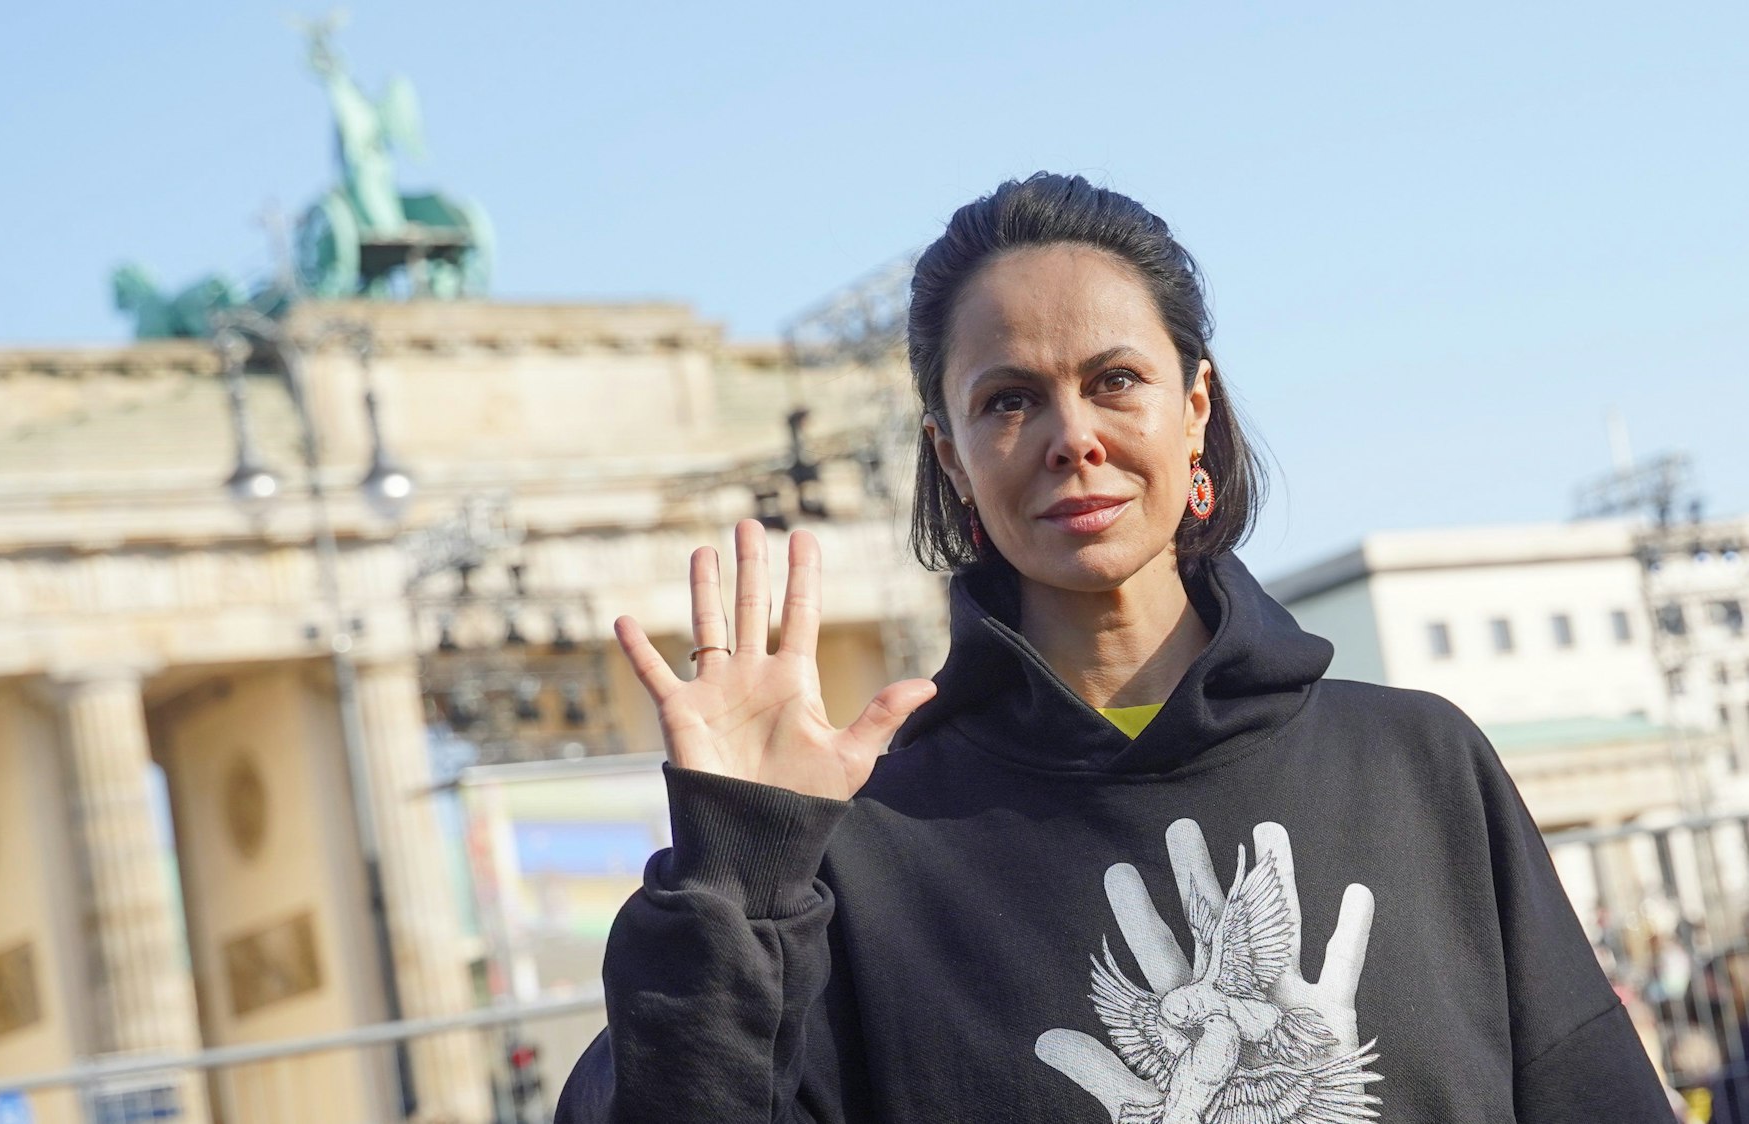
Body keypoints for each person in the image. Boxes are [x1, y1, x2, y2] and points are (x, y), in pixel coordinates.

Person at [554, 172, 1673, 1122]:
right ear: (950, 461)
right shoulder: (864, 851)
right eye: (1007, 401)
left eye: (1114, 380)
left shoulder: (1418, 765)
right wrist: (737, 870)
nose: (1070, 436)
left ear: (1195, 409)